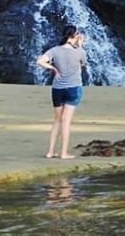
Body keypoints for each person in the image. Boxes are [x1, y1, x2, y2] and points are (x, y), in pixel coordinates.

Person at [36, 25, 86, 159]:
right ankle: (64, 153)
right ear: (73, 36)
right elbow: (83, 63)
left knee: (57, 120)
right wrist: (80, 46)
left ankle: (50, 151)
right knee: (66, 121)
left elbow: (40, 61)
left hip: (57, 88)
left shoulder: (55, 50)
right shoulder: (79, 51)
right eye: (77, 35)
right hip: (73, 88)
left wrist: (53, 69)